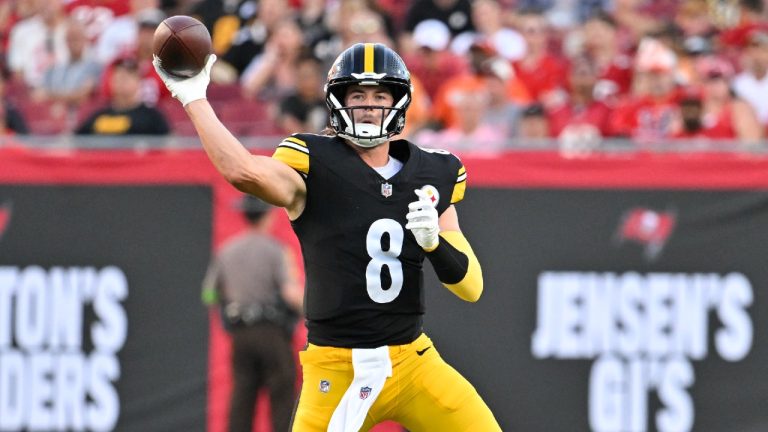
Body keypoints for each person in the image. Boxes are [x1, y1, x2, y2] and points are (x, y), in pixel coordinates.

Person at [153, 42, 501, 431]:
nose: (369, 105)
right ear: (338, 101)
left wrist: (435, 243)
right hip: (338, 368)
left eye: (380, 94)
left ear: (400, 101)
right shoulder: (312, 160)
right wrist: (194, 98)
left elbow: (471, 287)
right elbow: (245, 173)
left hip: (414, 362)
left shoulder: (434, 172)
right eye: (357, 94)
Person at [202, 194, 302, 432]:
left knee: (242, 399)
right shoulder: (276, 251)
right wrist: (310, 310)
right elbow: (290, 294)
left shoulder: (226, 251)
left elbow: (209, 294)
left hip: (241, 335)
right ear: (269, 215)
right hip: (272, 334)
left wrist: (230, 306)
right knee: (283, 398)